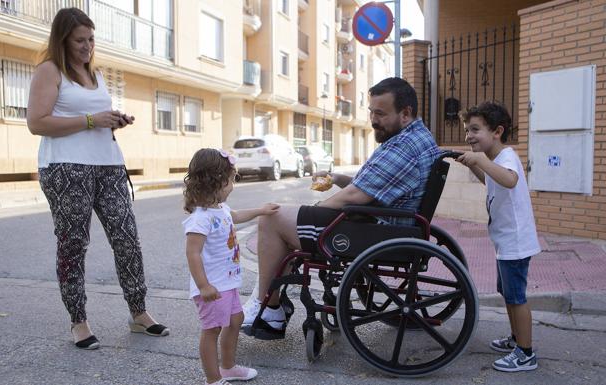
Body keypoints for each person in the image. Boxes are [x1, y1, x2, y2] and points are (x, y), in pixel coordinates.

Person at [242, 77, 441, 336]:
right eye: (371, 112)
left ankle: (270, 311)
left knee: (271, 219)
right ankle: (271, 302)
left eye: (380, 113)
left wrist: (315, 210)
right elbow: (367, 187)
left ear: (405, 113)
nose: (373, 119)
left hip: (376, 231)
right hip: (384, 224)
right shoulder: (412, 138)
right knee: (285, 220)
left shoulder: (405, 147)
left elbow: (355, 196)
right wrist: (336, 179)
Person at [26, 8, 168, 350]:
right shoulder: (50, 70)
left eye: (91, 39)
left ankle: (139, 313)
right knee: (73, 244)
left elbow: (92, 116)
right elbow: (37, 122)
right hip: (65, 167)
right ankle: (79, 321)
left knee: (127, 238)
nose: (87, 46)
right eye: (80, 40)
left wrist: (113, 119)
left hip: (108, 164)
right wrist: (91, 120)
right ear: (63, 40)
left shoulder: (97, 74)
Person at [455, 101, 541, 372]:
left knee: (516, 297)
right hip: (505, 241)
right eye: (467, 130)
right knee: (507, 293)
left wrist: (480, 160)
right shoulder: (494, 161)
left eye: (475, 129)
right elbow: (491, 181)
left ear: (497, 131)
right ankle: (516, 340)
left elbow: (510, 180)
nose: (469, 136)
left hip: (515, 242)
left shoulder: (507, 157)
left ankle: (526, 354)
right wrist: (475, 166)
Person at [183, 148, 279, 385]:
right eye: (230, 182)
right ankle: (213, 379)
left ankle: (228, 367)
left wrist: (260, 211)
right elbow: (192, 253)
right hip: (212, 287)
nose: (232, 187)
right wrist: (203, 286)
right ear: (215, 182)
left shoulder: (220, 209)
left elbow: (235, 215)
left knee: (236, 320)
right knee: (212, 330)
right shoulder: (200, 217)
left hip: (227, 283)